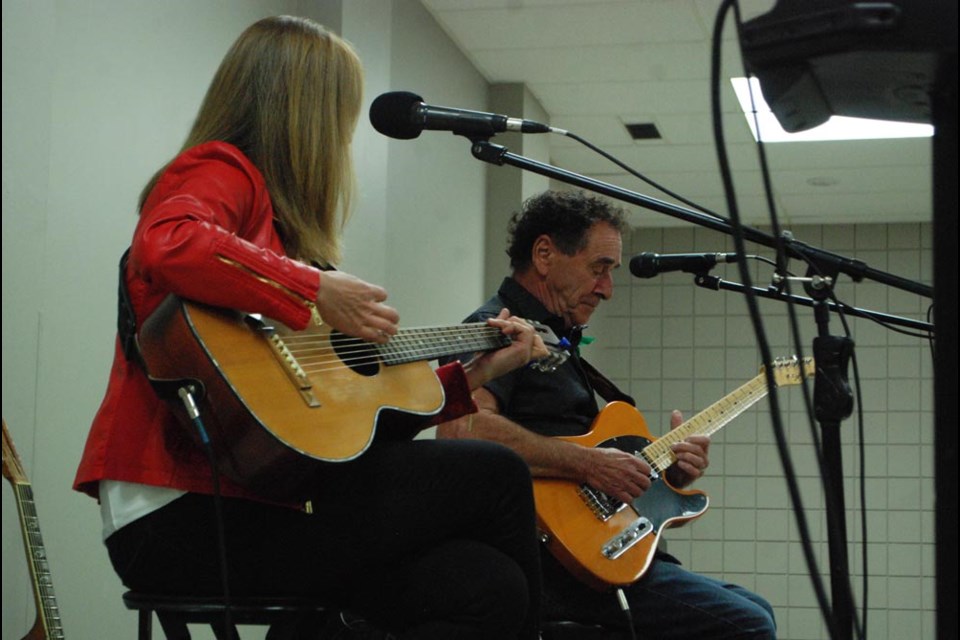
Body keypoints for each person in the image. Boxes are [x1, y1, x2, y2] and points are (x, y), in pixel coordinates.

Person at [73, 16, 545, 640]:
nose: (346, 138)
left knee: (486, 584)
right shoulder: (221, 169)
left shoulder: (285, 239)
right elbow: (168, 242)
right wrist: (316, 289)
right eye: (343, 116)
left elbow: (347, 429)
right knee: (494, 474)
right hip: (178, 516)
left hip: (260, 501)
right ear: (308, 114)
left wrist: (472, 374)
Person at [439, 190, 777, 639]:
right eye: (598, 268)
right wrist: (589, 463)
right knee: (748, 626)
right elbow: (462, 430)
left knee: (757, 609)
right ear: (544, 254)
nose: (607, 289)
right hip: (549, 568)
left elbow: (586, 474)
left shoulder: (556, 338)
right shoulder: (497, 330)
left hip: (598, 552)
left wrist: (669, 476)